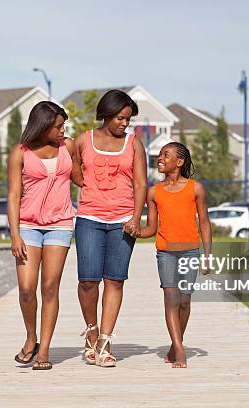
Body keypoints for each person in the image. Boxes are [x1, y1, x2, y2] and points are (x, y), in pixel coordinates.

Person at [74, 89, 147, 367]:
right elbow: (72, 167)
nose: (124, 124)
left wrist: (136, 217)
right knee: (88, 281)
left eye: (128, 119)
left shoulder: (134, 144)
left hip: (123, 220)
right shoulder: (85, 140)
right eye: (120, 118)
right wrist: (85, 184)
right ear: (105, 114)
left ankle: (104, 341)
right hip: (89, 218)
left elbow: (140, 184)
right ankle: (90, 330)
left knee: (115, 280)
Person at [7, 101, 82, 370]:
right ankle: (31, 337)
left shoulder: (69, 147)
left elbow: (79, 178)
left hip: (61, 224)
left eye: (64, 126)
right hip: (27, 225)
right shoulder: (20, 153)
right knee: (27, 288)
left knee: (50, 287)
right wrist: (15, 235)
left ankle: (44, 351)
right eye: (58, 126)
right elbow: (14, 196)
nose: (63, 131)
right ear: (43, 126)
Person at [139, 142, 212, 368]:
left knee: (184, 300)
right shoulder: (154, 192)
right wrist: (135, 232)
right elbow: (151, 228)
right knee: (171, 299)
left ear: (179, 162)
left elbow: (205, 223)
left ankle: (174, 345)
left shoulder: (195, 188)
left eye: (166, 155)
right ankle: (179, 349)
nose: (160, 158)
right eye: (160, 155)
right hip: (165, 253)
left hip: (190, 251)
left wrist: (207, 256)